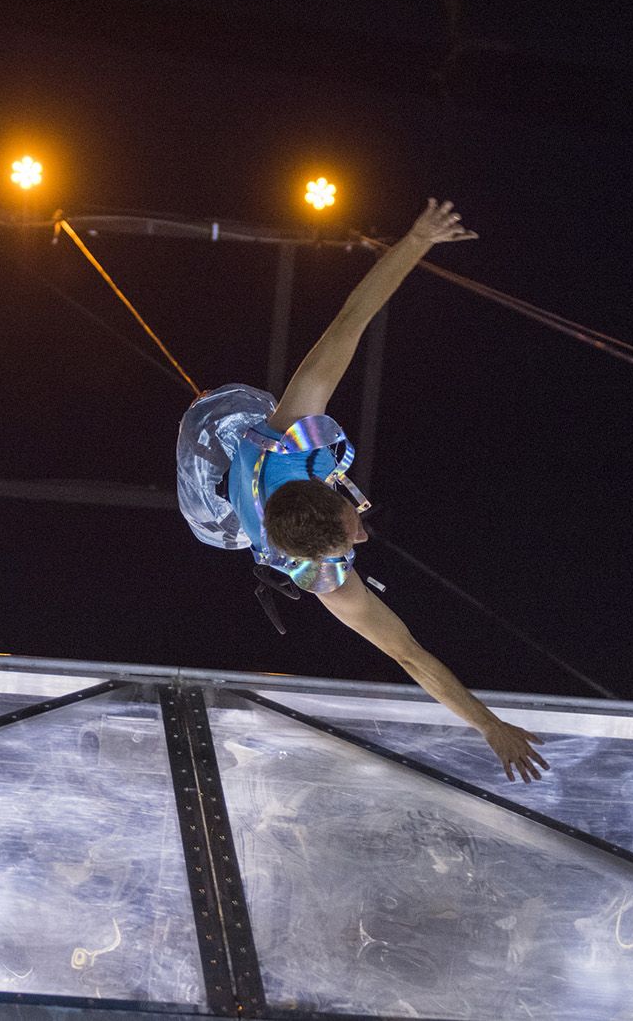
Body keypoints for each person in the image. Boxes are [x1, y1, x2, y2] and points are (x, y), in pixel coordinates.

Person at [177, 199, 549, 782]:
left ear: (329, 492)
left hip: (233, 450)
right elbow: (407, 653)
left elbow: (351, 318)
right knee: (227, 523)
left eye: (352, 526)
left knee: (254, 421)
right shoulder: (326, 577)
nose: (363, 536)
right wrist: (488, 725)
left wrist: (418, 237)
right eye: (350, 541)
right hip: (236, 502)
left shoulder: (290, 438)